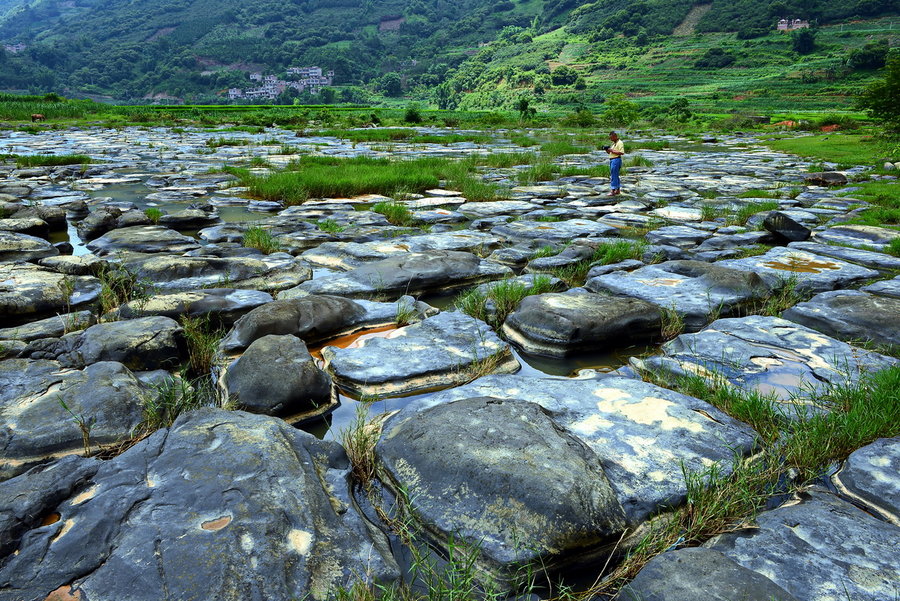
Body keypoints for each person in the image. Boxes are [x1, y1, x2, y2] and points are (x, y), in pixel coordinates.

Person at [604, 131, 625, 196]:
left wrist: (611, 150)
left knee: (613, 176)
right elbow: (610, 153)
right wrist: (607, 149)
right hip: (612, 160)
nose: (610, 139)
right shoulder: (614, 144)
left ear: (615, 136)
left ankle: (613, 191)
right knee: (615, 175)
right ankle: (617, 190)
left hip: (616, 160)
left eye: (611, 138)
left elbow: (621, 152)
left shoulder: (620, 143)